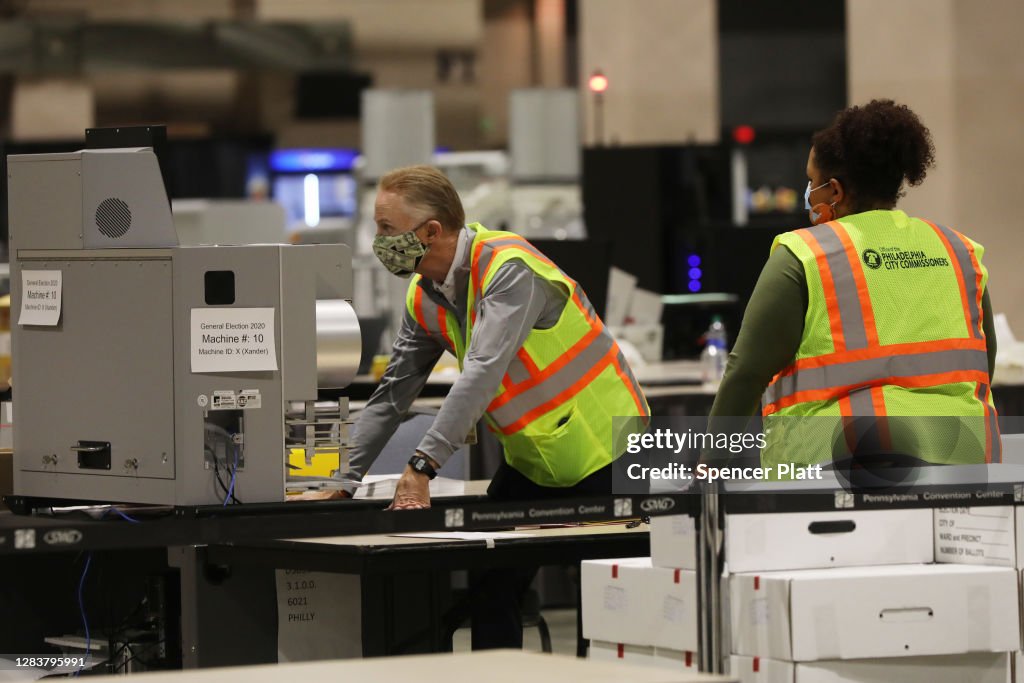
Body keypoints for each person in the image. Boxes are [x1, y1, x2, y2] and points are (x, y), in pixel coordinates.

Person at [330, 165, 649, 648]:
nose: (379, 241)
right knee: (492, 585)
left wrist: (422, 465)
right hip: (538, 461)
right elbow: (393, 392)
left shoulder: (509, 270)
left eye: (386, 229)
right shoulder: (426, 296)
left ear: (431, 231)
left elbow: (482, 370)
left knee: (606, 602)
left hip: (612, 447)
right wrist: (342, 479)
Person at [710, 99, 1000, 469]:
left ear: (835, 191)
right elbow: (982, 364)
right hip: (963, 464)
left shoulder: (803, 256)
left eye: (812, 182)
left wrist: (710, 466)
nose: (808, 193)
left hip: (839, 472)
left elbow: (746, 373)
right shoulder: (958, 251)